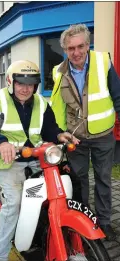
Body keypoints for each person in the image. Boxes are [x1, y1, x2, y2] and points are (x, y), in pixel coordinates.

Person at [0, 60, 80, 261]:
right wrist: (0, 143)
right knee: (14, 202)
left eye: (30, 84)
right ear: (10, 81)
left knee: (66, 186)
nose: (25, 88)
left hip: (37, 157)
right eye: (21, 83)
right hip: (9, 160)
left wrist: (59, 135)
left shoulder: (41, 102)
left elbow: (49, 127)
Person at [50, 24, 120, 241]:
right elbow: (58, 106)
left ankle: (105, 223)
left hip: (103, 135)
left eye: (80, 46)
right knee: (79, 180)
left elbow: (117, 96)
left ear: (87, 45)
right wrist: (59, 133)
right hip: (75, 138)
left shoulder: (103, 62)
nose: (76, 52)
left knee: (103, 179)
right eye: (71, 48)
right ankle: (83, 221)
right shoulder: (58, 71)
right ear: (65, 50)